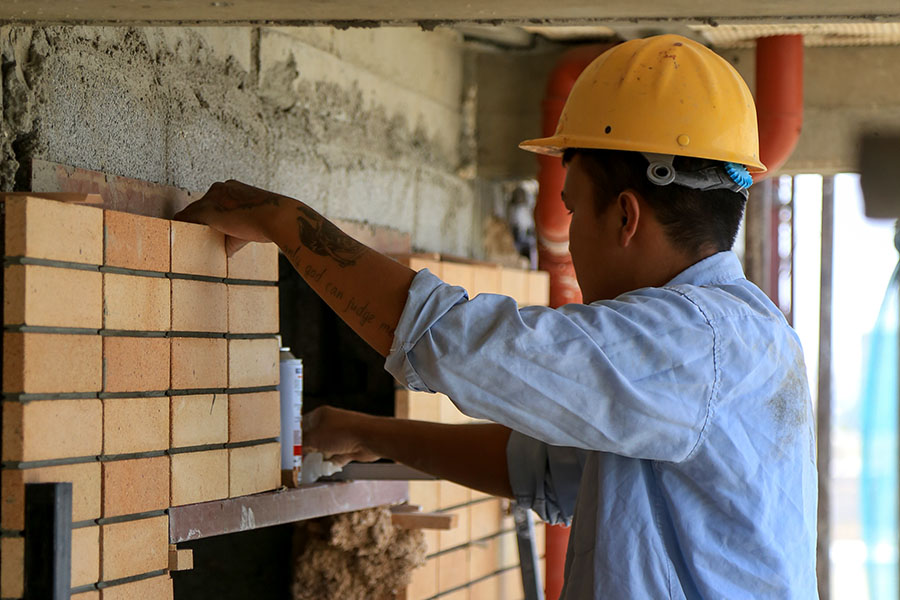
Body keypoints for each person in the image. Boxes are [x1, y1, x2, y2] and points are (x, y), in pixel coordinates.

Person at [176, 34, 817, 598]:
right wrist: (375, 434)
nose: (569, 237)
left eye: (572, 210)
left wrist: (285, 223)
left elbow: (463, 345)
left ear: (625, 216)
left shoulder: (697, 344)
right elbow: (547, 470)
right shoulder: (734, 342)